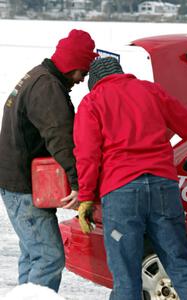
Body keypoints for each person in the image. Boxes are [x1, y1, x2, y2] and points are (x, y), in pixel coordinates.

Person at [73, 57, 187, 300]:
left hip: (122, 192)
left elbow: (87, 155)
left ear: (95, 82)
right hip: (164, 187)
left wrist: (86, 198)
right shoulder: (151, 91)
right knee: (181, 265)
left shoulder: (93, 101)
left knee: (126, 274)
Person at [0, 29, 97, 292]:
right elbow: (60, 139)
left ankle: (26, 296)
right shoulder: (47, 88)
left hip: (18, 183)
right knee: (49, 256)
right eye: (82, 73)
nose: (81, 80)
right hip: (24, 188)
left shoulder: (39, 77)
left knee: (33, 255)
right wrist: (79, 184)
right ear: (73, 65)